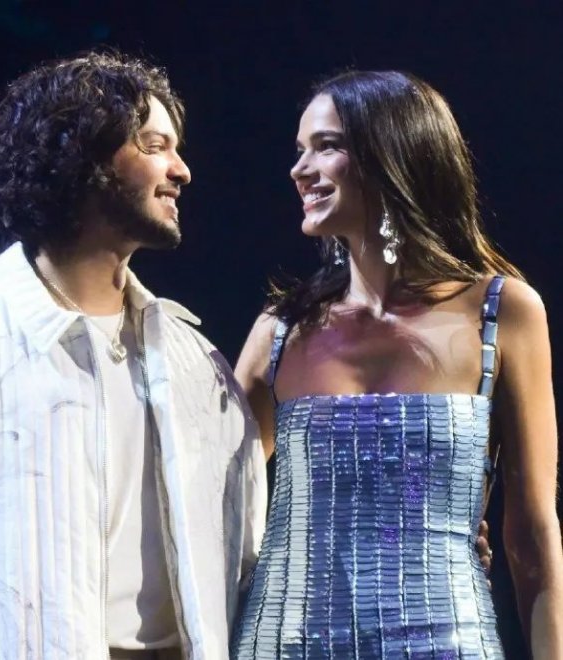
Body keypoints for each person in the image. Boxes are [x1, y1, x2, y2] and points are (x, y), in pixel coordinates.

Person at [0, 50, 267, 660]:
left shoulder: (198, 365)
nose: (181, 170)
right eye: (154, 146)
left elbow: (245, 555)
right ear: (83, 158)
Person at [231, 70, 563, 658]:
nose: (300, 169)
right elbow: (212, 508)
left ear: (394, 155)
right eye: (300, 150)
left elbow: (532, 536)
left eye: (326, 146)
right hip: (285, 641)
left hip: (448, 640)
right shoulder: (279, 331)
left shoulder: (503, 312)